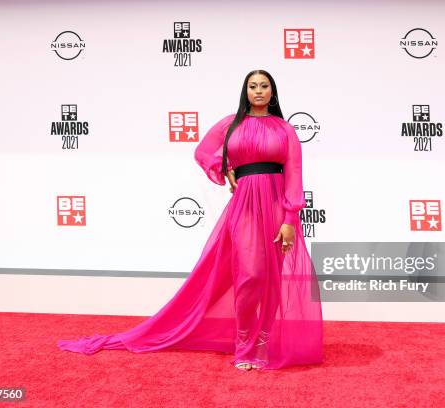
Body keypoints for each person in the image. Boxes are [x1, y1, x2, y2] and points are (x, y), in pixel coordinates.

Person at [57, 69, 323, 371]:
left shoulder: (284, 129)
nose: (259, 91)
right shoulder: (230, 124)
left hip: (276, 205)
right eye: (253, 86)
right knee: (250, 275)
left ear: (272, 93)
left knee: (270, 278)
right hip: (245, 205)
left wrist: (290, 218)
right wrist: (224, 167)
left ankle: (262, 343)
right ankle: (244, 343)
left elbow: (294, 175)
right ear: (245, 91)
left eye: (264, 86)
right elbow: (202, 151)